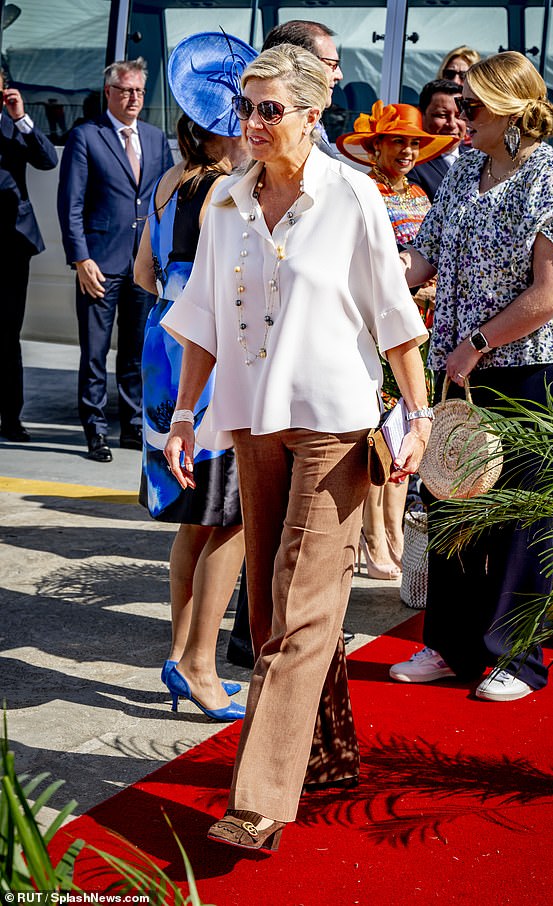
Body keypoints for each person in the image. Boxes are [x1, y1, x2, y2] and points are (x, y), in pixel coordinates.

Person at [162, 44, 431, 851]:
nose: (250, 124)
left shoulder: (351, 197)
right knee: (276, 607)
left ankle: (259, 800)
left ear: (315, 115)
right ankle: (327, 751)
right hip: (251, 420)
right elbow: (203, 318)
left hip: (335, 423)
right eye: (245, 108)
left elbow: (392, 316)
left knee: (305, 607)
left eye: (269, 109)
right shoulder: (222, 202)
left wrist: (417, 415)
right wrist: (182, 415)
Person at [390, 51, 553, 702]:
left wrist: (475, 344)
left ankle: (519, 658)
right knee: (451, 500)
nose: (458, 117)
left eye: (472, 106)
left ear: (510, 110)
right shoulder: (464, 172)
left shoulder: (551, 179)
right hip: (463, 363)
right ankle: (450, 644)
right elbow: (424, 256)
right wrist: (374, 287)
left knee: (518, 515)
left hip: (536, 366)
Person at [134, 33, 261, 720]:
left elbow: (143, 276)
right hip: (210, 359)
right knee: (228, 515)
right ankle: (198, 666)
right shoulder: (227, 193)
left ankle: (184, 656)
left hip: (164, 344)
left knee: (193, 519)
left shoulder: (166, 183)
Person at [337, 101, 456, 579]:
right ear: (376, 146)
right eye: (397, 141)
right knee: (379, 433)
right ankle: (373, 541)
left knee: (406, 430)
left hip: (418, 326)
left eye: (413, 142)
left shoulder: (423, 197)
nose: (407, 150)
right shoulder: (365, 193)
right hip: (380, 325)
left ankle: (394, 534)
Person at [57, 58, 172, 463]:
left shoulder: (156, 140)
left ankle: (133, 423)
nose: (134, 98)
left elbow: (163, 203)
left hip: (142, 265)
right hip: (99, 264)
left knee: (137, 350)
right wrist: (80, 259)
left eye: (140, 90)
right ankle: (95, 429)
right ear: (109, 92)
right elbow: (70, 204)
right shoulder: (87, 137)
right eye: (126, 90)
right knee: (94, 351)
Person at [0, 72, 57, 443]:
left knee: (7, 333)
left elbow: (48, 160)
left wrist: (22, 118)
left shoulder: (13, 123)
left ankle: (12, 417)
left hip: (12, 241)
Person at [261, 20, 343, 156]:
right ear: (300, 63)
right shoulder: (281, 133)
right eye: (332, 64)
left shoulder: (309, 122)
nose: (339, 75)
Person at [408, 79, 468, 201]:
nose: (452, 124)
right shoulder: (410, 162)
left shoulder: (479, 157)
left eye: (458, 116)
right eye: (442, 115)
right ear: (421, 115)